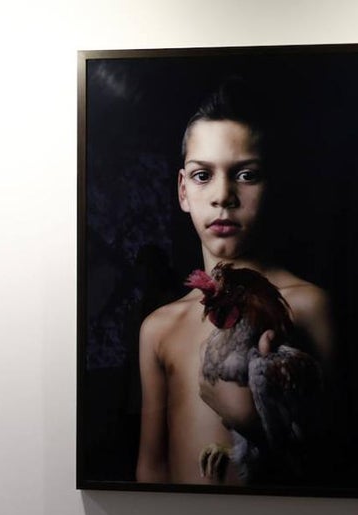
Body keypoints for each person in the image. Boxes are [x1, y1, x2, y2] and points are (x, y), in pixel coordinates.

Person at [135, 80, 333, 485]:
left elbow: (341, 457)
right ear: (183, 190)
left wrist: (248, 421)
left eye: (245, 174)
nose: (223, 195)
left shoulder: (310, 306)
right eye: (203, 175)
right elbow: (151, 468)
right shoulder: (160, 328)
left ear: (270, 184)